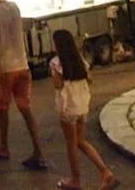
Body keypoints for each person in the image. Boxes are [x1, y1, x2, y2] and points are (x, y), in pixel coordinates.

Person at [0, 0, 47, 171]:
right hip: (22, 65)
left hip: (5, 66)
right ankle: (38, 150)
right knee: (26, 109)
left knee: (3, 108)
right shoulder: (14, 6)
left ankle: (4, 146)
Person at [50, 29, 117, 190]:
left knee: (71, 144)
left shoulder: (56, 63)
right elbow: (90, 79)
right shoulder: (79, 60)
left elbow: (58, 85)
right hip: (81, 106)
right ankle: (105, 171)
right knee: (81, 141)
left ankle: (76, 180)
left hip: (67, 108)